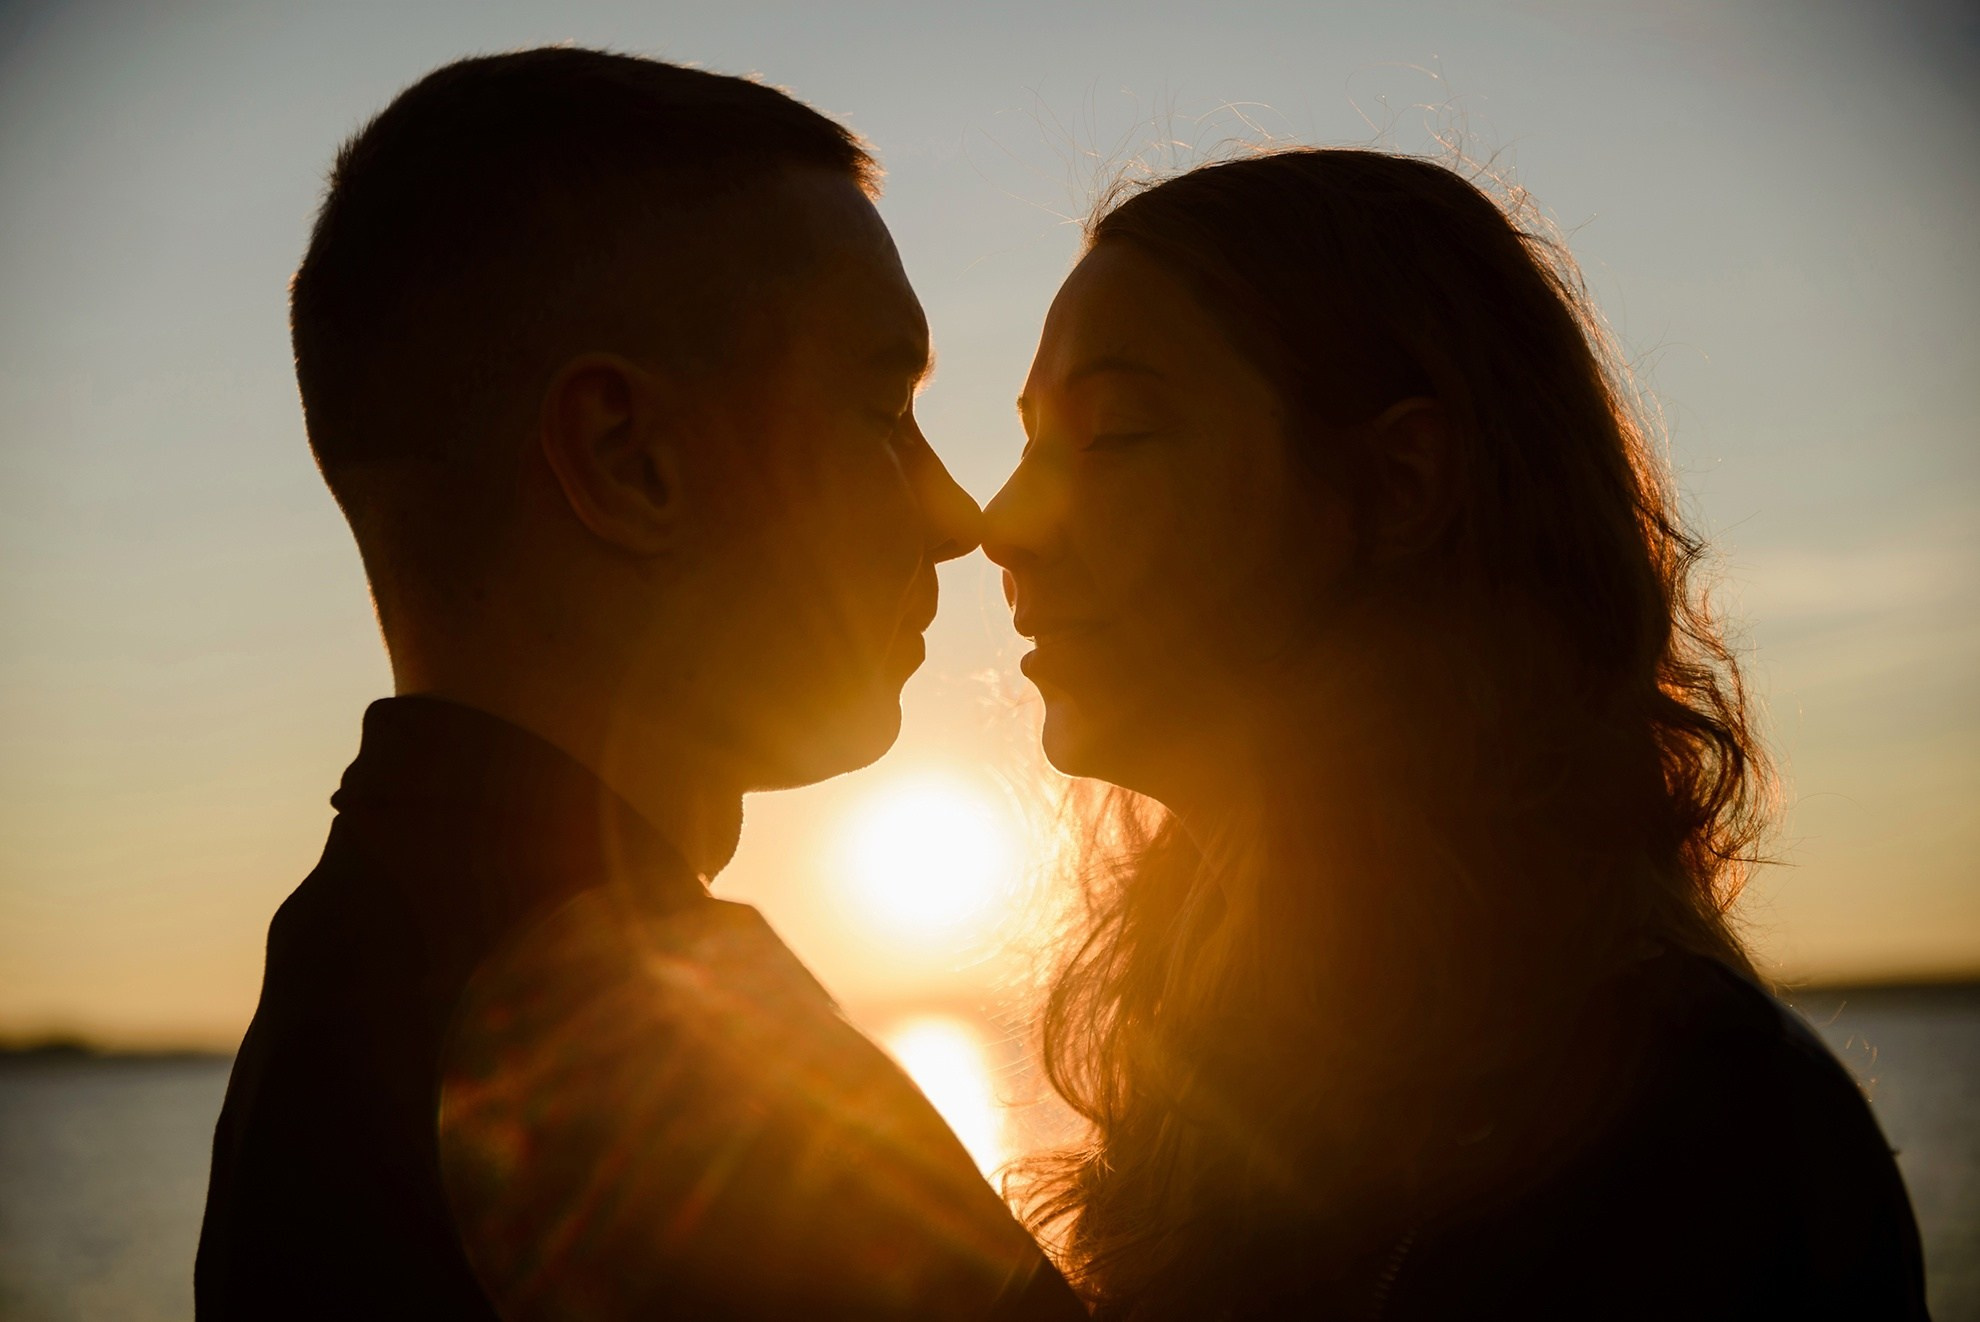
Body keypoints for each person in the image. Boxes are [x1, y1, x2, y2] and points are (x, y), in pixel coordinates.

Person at [196, 49, 1083, 1321]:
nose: (958, 516)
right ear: (630, 459)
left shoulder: (358, 978)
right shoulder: (631, 1040)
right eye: (885, 405)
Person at [984, 148, 1929, 1320]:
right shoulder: (1229, 1087)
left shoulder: (1700, 1128)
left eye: (1114, 433)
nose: (1002, 522)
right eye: (1027, 441)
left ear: (1398, 482)